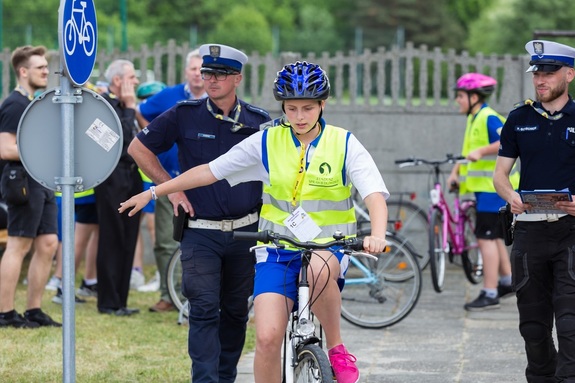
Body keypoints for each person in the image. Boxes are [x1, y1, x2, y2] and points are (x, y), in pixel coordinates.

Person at [120, 60, 389, 383]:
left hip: (328, 248)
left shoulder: (344, 143)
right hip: (276, 251)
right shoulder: (267, 140)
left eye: (307, 108)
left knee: (317, 269)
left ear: (322, 105)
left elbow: (374, 194)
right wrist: (154, 193)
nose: (299, 117)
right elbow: (209, 171)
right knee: (266, 339)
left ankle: (336, 347)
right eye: (291, 109)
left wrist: (376, 234)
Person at [126, 43, 269, 382]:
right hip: (200, 232)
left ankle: (225, 375)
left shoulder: (259, 121)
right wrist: (172, 188)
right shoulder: (184, 114)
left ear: (237, 78)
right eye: (207, 73)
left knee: (235, 312)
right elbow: (138, 148)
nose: (211, 79)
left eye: (220, 74)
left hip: (245, 233)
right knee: (203, 310)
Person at [493, 40, 575, 382]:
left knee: (571, 324)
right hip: (528, 233)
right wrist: (510, 195)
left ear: (569, 74)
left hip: (571, 233)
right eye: (537, 72)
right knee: (533, 326)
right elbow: (499, 175)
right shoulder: (519, 118)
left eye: (549, 72)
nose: (540, 79)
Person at [136, 51, 207, 311]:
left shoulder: (217, 99)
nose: (197, 74)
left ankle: (198, 296)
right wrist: (159, 139)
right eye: (193, 69)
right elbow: (140, 111)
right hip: (170, 180)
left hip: (205, 183)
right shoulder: (170, 96)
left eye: (202, 69)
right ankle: (169, 295)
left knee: (203, 241)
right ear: (185, 71)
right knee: (166, 239)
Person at [0, 45, 61, 328]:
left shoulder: (31, 102)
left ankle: (33, 309)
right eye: (40, 68)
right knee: (18, 246)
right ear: (23, 72)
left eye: (46, 67)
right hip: (22, 182)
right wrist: (41, 151)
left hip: (42, 181)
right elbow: (5, 149)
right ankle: (5, 313)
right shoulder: (14, 104)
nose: (46, 71)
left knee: (48, 244)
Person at [447, 73, 518, 311]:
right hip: (485, 191)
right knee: (494, 237)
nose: (457, 100)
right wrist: (456, 172)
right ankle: (507, 281)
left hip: (493, 190)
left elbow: (507, 140)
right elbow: (468, 151)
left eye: (460, 96)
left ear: (473, 97)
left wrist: (483, 151)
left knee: (485, 239)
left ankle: (489, 293)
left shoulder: (487, 117)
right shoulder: (474, 118)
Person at [95, 59, 143, 316]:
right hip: (112, 179)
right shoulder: (103, 106)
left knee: (128, 238)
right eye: (132, 77)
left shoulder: (127, 107)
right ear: (118, 81)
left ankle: (120, 301)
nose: (136, 81)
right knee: (112, 238)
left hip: (131, 178)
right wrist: (130, 108)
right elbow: (120, 144)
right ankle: (108, 302)